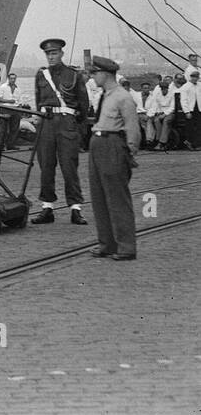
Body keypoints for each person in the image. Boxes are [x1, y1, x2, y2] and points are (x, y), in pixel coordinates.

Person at [85, 56, 142, 261]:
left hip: (113, 145)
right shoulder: (105, 95)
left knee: (117, 198)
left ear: (105, 74)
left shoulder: (122, 97)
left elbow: (132, 128)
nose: (92, 77)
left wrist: (129, 153)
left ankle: (126, 247)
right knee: (99, 197)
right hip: (98, 143)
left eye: (95, 73)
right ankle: (107, 244)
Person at [32, 37, 90, 225]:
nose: (51, 57)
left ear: (61, 53)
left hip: (67, 123)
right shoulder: (41, 75)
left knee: (69, 166)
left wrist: (74, 125)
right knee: (46, 166)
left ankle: (75, 209)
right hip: (46, 123)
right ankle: (47, 207)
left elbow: (83, 103)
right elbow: (38, 100)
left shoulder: (73, 75)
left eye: (54, 53)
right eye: (48, 54)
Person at [0, 71, 24, 148]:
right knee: (3, 128)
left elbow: (20, 102)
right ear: (8, 79)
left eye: (14, 78)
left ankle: (10, 144)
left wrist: (20, 112)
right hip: (5, 109)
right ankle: (1, 145)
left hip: (16, 109)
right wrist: (8, 101)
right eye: (11, 78)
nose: (13, 80)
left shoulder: (18, 89)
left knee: (14, 129)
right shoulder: (3, 87)